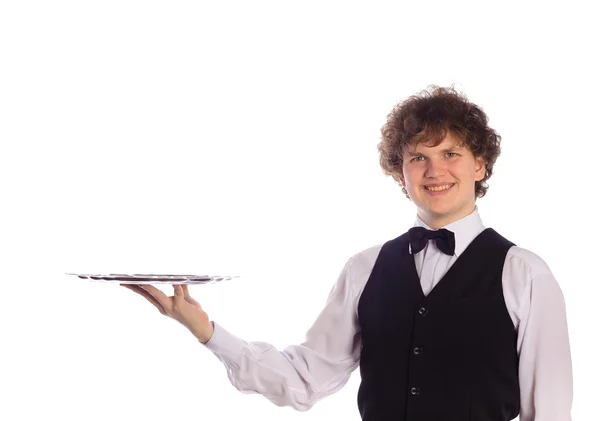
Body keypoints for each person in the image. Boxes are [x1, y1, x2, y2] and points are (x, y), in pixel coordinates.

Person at [121, 85, 573, 421]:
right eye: (418, 157)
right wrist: (205, 330)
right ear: (400, 173)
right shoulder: (364, 269)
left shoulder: (525, 274)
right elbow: (303, 381)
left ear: (480, 164)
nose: (435, 171)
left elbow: (550, 412)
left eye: (451, 153)